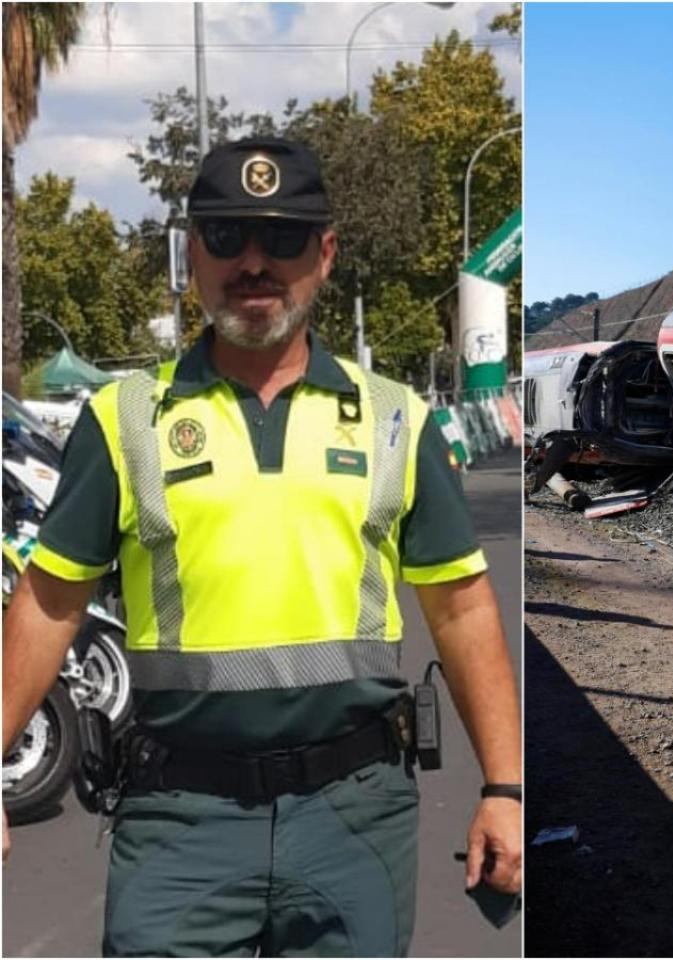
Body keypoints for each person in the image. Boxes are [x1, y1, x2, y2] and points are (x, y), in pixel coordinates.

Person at [1, 137, 522, 956]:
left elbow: (462, 610)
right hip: (178, 819)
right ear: (191, 253)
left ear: (324, 253)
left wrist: (505, 788)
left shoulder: (396, 420)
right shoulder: (123, 419)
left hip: (354, 816)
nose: (253, 263)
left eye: (280, 239)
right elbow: (48, 601)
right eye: (226, 236)